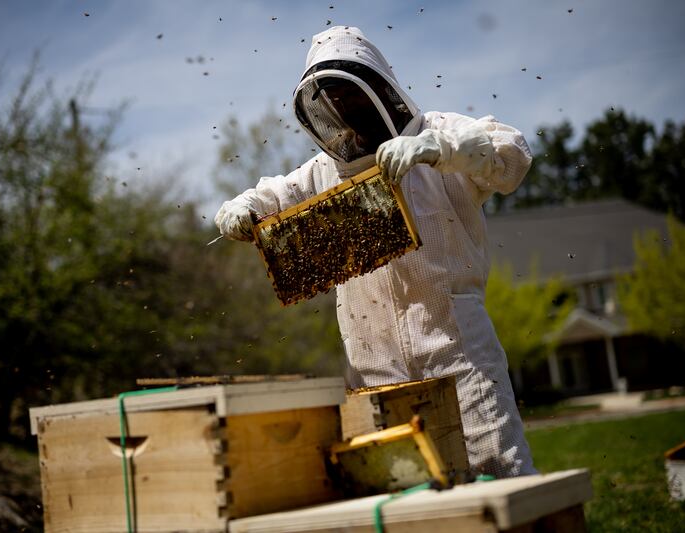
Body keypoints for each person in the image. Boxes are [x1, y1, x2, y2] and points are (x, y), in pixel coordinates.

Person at [214, 26, 536, 478]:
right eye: (334, 98)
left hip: (456, 344)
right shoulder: (325, 172)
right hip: (370, 357)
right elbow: (271, 195)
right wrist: (242, 206)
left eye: (350, 92)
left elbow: (512, 156)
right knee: (396, 482)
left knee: (498, 468)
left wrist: (436, 150)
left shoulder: (436, 132)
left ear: (378, 84)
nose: (345, 106)